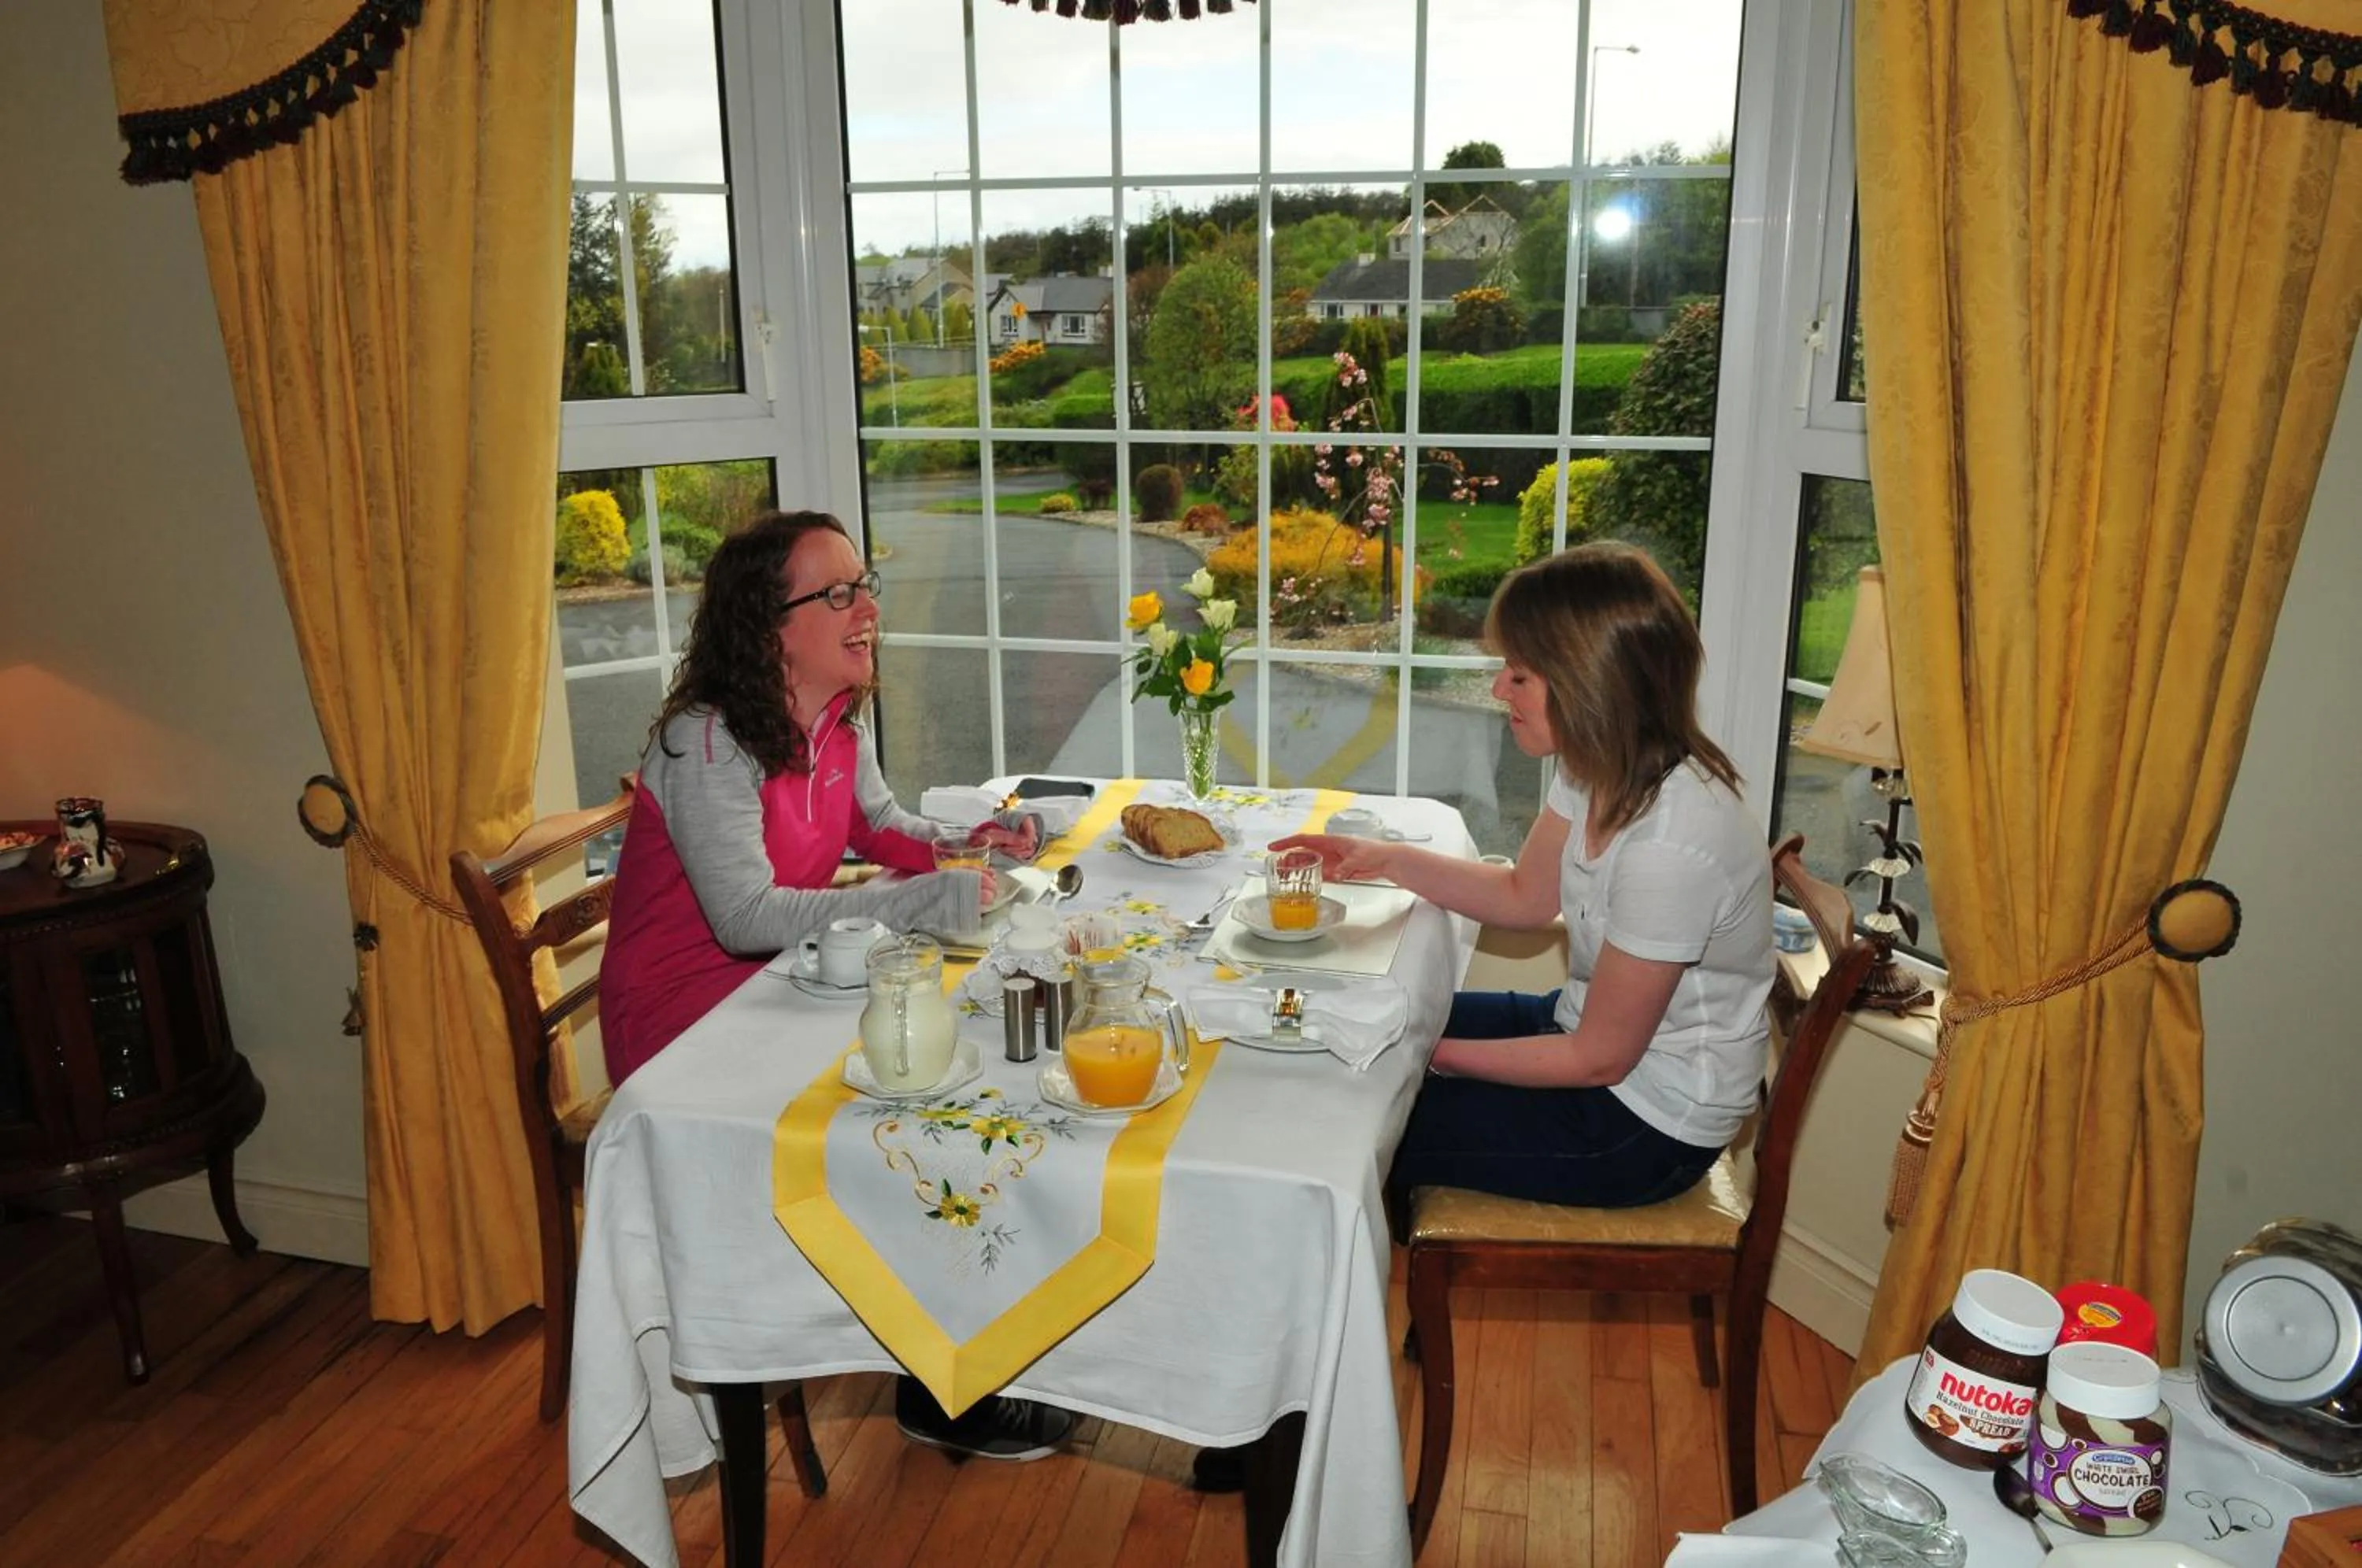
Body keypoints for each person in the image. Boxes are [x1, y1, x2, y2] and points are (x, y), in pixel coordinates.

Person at [597, 508, 1073, 1461]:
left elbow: (879, 827)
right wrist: (914, 906)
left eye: (866, 587)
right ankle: (930, 1382)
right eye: (838, 593)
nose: (866, 610)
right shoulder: (710, 741)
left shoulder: (832, 719)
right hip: (687, 1029)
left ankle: (944, 1356)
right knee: (913, 1112)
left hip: (783, 990)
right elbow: (744, 916)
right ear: (769, 623)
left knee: (935, 1080)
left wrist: (970, 843)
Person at [1277, 540, 1775, 1219]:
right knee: (1361, 1010)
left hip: (1644, 1125)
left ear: (1588, 684)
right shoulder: (1593, 764)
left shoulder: (1673, 847)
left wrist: (1426, 1054)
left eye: (1520, 674)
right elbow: (1525, 897)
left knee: (1346, 1121)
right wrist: (1381, 859)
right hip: (1581, 1038)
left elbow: (1598, 1061)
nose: (1497, 689)